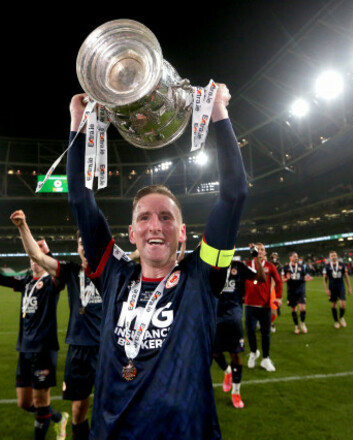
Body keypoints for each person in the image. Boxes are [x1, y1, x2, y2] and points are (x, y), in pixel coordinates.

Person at [67, 83, 247, 439]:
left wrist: (218, 114)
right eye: (144, 218)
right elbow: (80, 199)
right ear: (131, 233)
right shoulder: (113, 273)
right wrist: (77, 124)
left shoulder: (202, 274)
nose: (155, 226)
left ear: (182, 233)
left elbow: (234, 193)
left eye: (166, 218)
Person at [10, 210, 101, 440]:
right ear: (78, 247)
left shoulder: (113, 269)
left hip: (108, 349)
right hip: (78, 350)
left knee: (113, 407)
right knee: (78, 410)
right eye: (82, 243)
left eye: (90, 241)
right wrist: (23, 226)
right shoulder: (71, 271)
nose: (86, 246)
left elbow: (141, 255)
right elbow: (38, 256)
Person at [0, 240, 68, 440]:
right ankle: (58, 417)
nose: (34, 262)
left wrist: (48, 253)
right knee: (24, 403)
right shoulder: (26, 281)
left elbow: (61, 274)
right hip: (25, 349)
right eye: (32, 258)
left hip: (44, 350)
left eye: (38, 259)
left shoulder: (51, 283)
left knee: (40, 402)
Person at [213, 259, 258, 409]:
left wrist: (256, 258)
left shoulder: (239, 266)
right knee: (214, 353)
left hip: (233, 317)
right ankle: (227, 371)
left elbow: (260, 278)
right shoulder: (211, 265)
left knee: (236, 354)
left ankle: (236, 392)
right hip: (215, 317)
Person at [244, 242, 281, 371]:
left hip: (265, 306)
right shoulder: (247, 265)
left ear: (265, 253)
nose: (260, 251)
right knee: (250, 331)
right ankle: (254, 353)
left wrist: (279, 297)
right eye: (257, 249)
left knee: (266, 333)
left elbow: (278, 281)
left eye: (262, 249)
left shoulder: (270, 266)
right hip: (250, 304)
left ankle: (266, 358)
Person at [281, 252, 312, 334]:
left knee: (302, 308)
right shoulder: (286, 267)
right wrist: (287, 279)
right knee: (294, 309)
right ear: (290, 258)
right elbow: (282, 280)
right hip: (291, 291)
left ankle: (302, 323)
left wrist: (307, 278)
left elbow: (305, 276)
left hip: (301, 290)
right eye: (295, 256)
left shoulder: (301, 267)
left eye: (297, 256)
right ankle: (296, 326)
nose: (296, 258)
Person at [322, 251, 352, 329]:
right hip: (332, 287)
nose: (333, 257)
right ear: (329, 257)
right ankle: (336, 321)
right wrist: (326, 289)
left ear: (337, 256)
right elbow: (324, 279)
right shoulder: (327, 266)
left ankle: (341, 317)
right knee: (334, 304)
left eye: (335, 255)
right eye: (332, 256)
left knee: (342, 304)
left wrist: (349, 287)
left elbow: (346, 276)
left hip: (341, 286)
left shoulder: (342, 264)